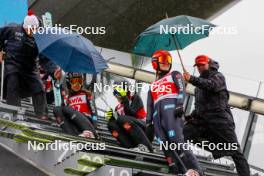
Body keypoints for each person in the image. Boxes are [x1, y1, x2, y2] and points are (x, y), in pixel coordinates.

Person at [183, 55, 250, 176]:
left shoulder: (218, 77)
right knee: (185, 132)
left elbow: (210, 85)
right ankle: (183, 165)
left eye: (202, 65)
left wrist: (191, 79)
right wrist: (190, 116)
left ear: (209, 64)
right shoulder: (199, 86)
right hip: (203, 122)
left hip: (221, 122)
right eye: (198, 66)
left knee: (236, 152)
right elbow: (200, 106)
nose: (200, 68)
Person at [146, 50, 202, 175]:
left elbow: (182, 89)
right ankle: (179, 170)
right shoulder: (153, 85)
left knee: (177, 141)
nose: (166, 62)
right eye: (163, 59)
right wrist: (148, 122)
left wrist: (180, 104)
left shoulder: (174, 74)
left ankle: (197, 171)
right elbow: (150, 105)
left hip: (171, 113)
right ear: (155, 63)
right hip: (157, 118)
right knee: (165, 145)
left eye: (169, 60)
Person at [0, 11, 60, 120]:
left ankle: (42, 115)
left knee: (39, 87)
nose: (30, 32)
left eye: (33, 30)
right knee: (13, 82)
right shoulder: (12, 29)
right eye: (28, 29)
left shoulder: (41, 37)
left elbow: (45, 58)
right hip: (13, 64)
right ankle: (14, 112)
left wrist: (54, 71)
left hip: (30, 68)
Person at [105, 81, 153, 152]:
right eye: (114, 92)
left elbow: (131, 114)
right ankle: (129, 146)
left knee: (122, 119)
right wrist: (111, 118)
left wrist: (125, 99)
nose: (116, 95)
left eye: (117, 91)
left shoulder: (135, 98)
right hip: (131, 133)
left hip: (145, 130)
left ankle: (146, 146)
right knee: (111, 124)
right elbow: (120, 124)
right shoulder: (117, 107)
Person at [53, 72, 98, 139]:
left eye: (79, 81)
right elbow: (60, 110)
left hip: (86, 121)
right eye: (74, 81)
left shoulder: (86, 95)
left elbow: (94, 113)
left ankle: (89, 132)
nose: (77, 84)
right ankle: (73, 136)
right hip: (73, 123)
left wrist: (94, 126)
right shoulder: (66, 98)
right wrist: (58, 79)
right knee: (57, 109)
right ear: (69, 83)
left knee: (67, 109)